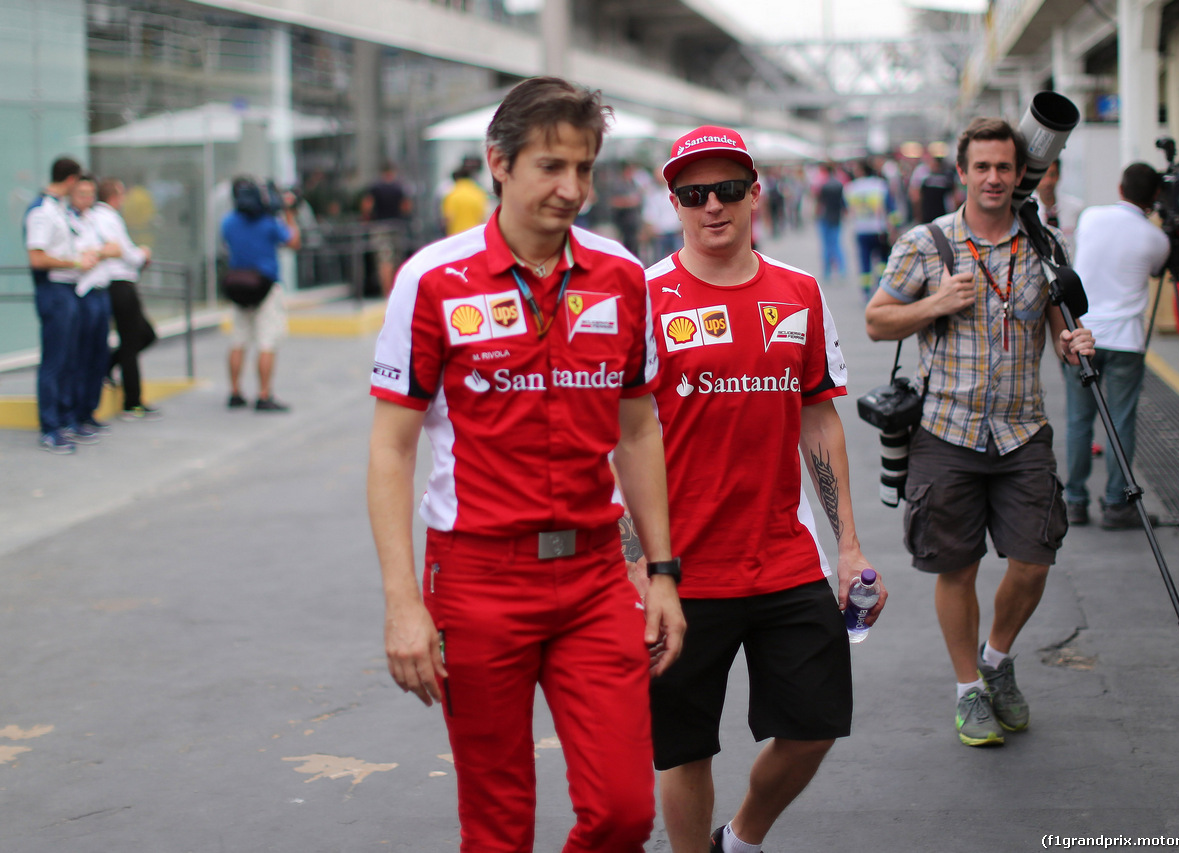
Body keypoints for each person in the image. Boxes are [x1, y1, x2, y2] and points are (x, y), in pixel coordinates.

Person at [366, 76, 685, 853]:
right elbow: (391, 446)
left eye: (583, 168)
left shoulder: (621, 277)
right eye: (551, 166)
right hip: (476, 580)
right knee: (498, 825)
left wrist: (663, 570)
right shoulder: (432, 280)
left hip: (593, 578)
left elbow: (638, 430)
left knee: (622, 813)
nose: (571, 188)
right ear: (498, 163)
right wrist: (404, 603)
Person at [643, 125, 884, 853]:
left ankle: (741, 838)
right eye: (693, 194)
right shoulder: (642, 297)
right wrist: (638, 567)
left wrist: (846, 546)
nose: (711, 206)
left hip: (785, 557)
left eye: (726, 190)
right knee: (686, 746)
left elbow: (818, 418)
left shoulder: (799, 293)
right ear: (675, 202)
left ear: (755, 193)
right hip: (680, 570)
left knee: (815, 723)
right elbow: (614, 447)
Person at [865, 117, 1095, 747]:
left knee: (1034, 561)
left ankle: (997, 659)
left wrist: (1074, 343)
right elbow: (878, 321)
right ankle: (969, 689)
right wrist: (934, 304)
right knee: (956, 568)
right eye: (983, 167)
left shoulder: (1044, 247)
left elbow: (1061, 329)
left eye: (1005, 167)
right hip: (945, 432)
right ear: (962, 172)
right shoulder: (924, 244)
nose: (994, 178)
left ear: (1020, 174)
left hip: (1023, 431)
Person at [1063, 163, 1170, 529]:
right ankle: (1116, 502)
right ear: (1155, 196)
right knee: (1120, 421)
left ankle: (1074, 502)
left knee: (1079, 421)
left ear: (1120, 187)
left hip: (1083, 334)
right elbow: (1157, 269)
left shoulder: (1091, 217)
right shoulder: (1157, 238)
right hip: (1126, 340)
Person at [25, 157, 100, 454]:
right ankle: (50, 426)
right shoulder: (42, 212)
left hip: (68, 289)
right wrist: (75, 262)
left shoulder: (57, 210)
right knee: (55, 361)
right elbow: (37, 257)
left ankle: (66, 419)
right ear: (70, 181)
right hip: (54, 289)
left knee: (70, 359)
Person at [221, 177, 300, 412]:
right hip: (265, 285)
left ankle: (235, 392)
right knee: (267, 342)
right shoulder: (268, 223)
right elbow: (294, 241)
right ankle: (264, 394)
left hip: (238, 284)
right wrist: (289, 213)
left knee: (238, 340)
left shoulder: (228, 222)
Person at [91, 178, 161, 421]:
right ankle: (133, 402)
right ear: (115, 196)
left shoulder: (100, 217)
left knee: (143, 335)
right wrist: (142, 254)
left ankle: (107, 365)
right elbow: (124, 252)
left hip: (118, 283)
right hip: (119, 284)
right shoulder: (107, 218)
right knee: (133, 341)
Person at [66, 175, 121, 438]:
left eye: (90, 194)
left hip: (101, 291)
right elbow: (78, 256)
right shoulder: (68, 220)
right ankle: (75, 414)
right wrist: (100, 251)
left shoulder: (94, 219)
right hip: (83, 293)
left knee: (100, 355)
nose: (87, 199)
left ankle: (89, 412)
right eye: (81, 194)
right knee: (81, 356)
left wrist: (97, 252)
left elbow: (115, 249)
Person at [845, 158, 894, 301]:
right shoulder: (880, 185)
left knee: (864, 261)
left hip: (860, 229)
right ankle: (881, 287)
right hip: (879, 229)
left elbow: (848, 209)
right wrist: (893, 227)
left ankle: (866, 291)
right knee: (882, 260)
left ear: (860, 171)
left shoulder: (850, 187)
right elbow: (890, 208)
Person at [361, 162, 412, 296]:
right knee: (398, 260)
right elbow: (406, 207)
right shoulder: (399, 187)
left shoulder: (375, 187)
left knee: (384, 260)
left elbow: (367, 206)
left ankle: (387, 293)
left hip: (380, 226)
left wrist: (367, 218)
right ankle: (397, 291)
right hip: (397, 225)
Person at [1032, 159, 1084, 255]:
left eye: (1052, 175)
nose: (1048, 182)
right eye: (1043, 176)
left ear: (1058, 176)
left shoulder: (1075, 209)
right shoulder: (1026, 212)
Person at [813, 163, 847, 281]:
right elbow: (843, 203)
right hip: (836, 217)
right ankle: (842, 269)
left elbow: (820, 203)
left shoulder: (824, 186)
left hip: (825, 217)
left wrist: (816, 215)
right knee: (836, 244)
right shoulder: (839, 184)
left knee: (826, 245)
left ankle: (827, 271)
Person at [910, 151, 958, 225]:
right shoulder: (922, 173)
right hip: (928, 214)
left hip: (942, 215)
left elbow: (955, 197)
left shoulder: (947, 174)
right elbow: (916, 197)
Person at [439, 163, 488, 236]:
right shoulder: (479, 193)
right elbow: (483, 217)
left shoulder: (451, 195)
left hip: (456, 237)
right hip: (475, 236)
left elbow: (448, 219)